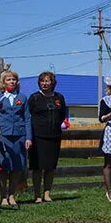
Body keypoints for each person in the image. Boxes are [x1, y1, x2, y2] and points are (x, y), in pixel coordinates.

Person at [0, 70, 32, 208]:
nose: (11, 82)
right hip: (3, 137)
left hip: (19, 136)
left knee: (17, 166)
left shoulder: (23, 98)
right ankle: (3, 196)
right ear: (3, 82)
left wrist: (28, 137)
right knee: (3, 167)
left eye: (14, 79)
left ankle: (12, 194)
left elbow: (27, 119)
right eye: (8, 80)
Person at [28, 71, 66, 203]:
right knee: (37, 167)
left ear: (52, 83)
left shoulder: (59, 98)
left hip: (54, 136)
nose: (44, 83)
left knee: (50, 167)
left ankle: (47, 193)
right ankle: (37, 194)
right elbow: (29, 116)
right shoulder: (34, 98)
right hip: (37, 136)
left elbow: (62, 115)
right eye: (42, 81)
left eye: (47, 81)